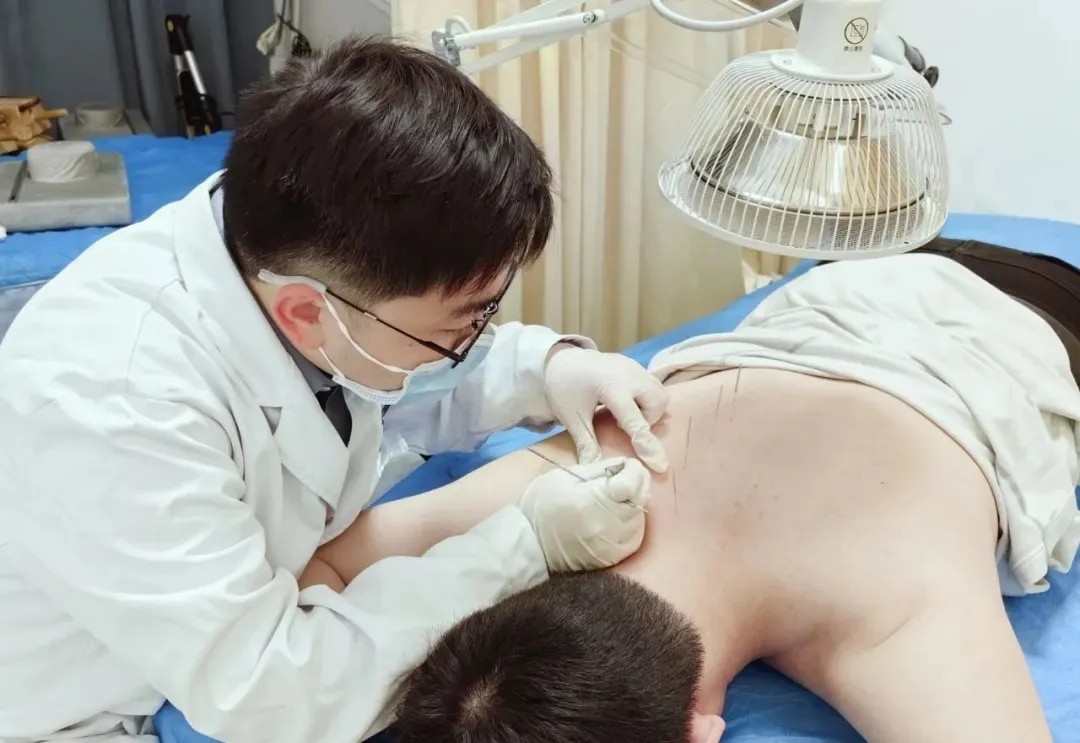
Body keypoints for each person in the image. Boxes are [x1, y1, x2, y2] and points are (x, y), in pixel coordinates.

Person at [0, 38, 672, 743]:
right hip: (64, 712)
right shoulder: (113, 405)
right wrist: (523, 547)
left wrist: (546, 366)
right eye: (461, 323)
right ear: (305, 311)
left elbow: (402, 372)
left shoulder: (285, 254)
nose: (471, 340)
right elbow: (273, 693)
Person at [300, 243, 1080, 742]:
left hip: (1042, 308)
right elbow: (321, 565)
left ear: (702, 732)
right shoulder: (571, 482)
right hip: (867, 269)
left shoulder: (894, 615)